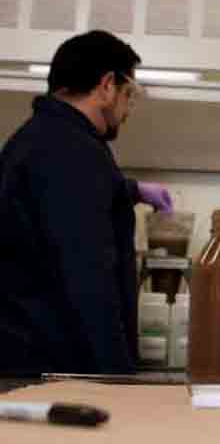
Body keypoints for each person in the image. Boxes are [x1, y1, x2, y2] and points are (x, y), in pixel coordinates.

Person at [0, 30, 173, 375]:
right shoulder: (74, 151)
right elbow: (88, 276)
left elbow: (58, 206)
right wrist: (117, 377)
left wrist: (130, 190)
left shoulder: (39, 139)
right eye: (129, 94)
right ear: (107, 86)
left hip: (26, 358)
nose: (128, 110)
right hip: (53, 369)